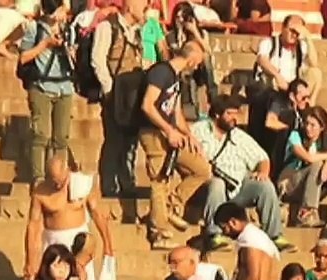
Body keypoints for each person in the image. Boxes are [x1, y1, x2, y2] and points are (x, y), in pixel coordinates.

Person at [137, 41, 212, 246]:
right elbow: (147, 105)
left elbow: (176, 112)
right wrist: (169, 130)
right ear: (192, 59)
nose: (198, 66)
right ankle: (159, 233)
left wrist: (189, 136)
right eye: (198, 62)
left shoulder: (176, 78)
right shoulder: (161, 72)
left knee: (201, 169)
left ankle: (170, 206)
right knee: (159, 180)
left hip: (171, 134)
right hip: (153, 132)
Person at [192, 94, 288, 252]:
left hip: (236, 187)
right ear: (217, 114)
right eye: (229, 113)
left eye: (236, 114)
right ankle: (215, 234)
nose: (234, 118)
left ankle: (274, 235)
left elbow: (262, 158)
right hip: (207, 186)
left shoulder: (239, 135)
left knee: (265, 186)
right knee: (217, 184)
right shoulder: (198, 130)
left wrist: (263, 172)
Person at [22, 156, 118, 280]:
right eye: (53, 181)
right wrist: (30, 260)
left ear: (67, 171)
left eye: (60, 180)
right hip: (53, 242)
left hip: (79, 241)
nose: (58, 185)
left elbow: (98, 214)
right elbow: (33, 225)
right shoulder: (40, 193)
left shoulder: (83, 185)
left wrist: (108, 244)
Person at [92, 0, 149, 198]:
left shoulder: (138, 32)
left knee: (130, 141)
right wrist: (109, 90)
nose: (146, 7)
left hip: (132, 94)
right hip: (114, 92)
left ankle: (127, 183)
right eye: (143, 3)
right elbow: (98, 60)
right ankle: (108, 185)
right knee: (114, 140)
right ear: (130, 5)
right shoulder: (108, 27)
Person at [18, 0, 75, 181]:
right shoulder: (34, 29)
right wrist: (45, 44)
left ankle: (59, 177)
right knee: (40, 134)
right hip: (41, 85)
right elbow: (23, 57)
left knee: (61, 138)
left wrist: (69, 48)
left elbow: (76, 58)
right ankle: (39, 177)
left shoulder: (68, 29)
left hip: (65, 86)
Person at [280, 106, 327, 229]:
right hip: (290, 184)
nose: (308, 128)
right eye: (306, 123)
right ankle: (307, 212)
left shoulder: (326, 139)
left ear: (322, 127)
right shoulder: (295, 136)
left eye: (313, 125)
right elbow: (309, 158)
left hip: (314, 185)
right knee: (316, 164)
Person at [247, 78, 311, 184]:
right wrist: (289, 129)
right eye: (303, 98)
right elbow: (270, 122)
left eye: (308, 97)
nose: (307, 101)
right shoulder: (279, 103)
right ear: (292, 96)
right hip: (276, 147)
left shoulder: (303, 110)